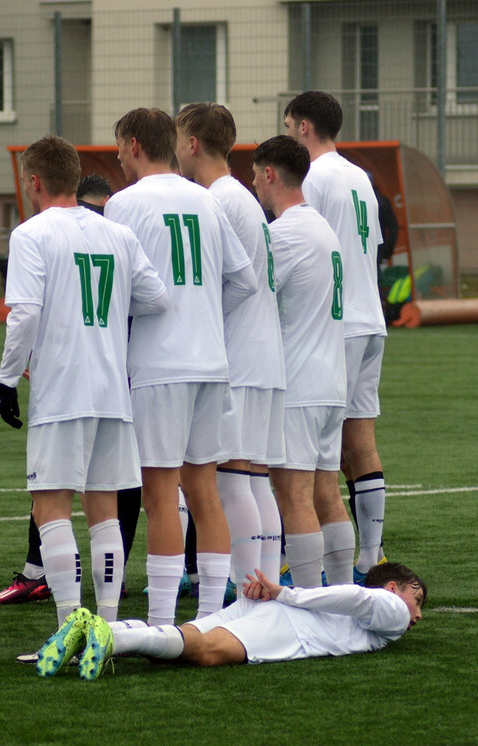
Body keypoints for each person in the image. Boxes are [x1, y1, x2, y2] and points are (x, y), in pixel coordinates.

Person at [0, 135, 169, 644]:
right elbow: (156, 297)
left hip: (64, 389)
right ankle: (109, 629)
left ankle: (70, 629)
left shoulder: (31, 234)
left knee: (50, 504)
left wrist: (7, 378)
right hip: (113, 390)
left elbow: (24, 313)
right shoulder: (116, 233)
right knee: (104, 508)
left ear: (34, 182)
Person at [104, 108, 259, 625]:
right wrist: (205, 314)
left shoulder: (123, 204)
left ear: (132, 145)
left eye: (119, 148)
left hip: (159, 365)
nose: (118, 158)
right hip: (211, 363)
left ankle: (163, 624)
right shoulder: (206, 200)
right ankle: (213, 618)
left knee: (159, 492)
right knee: (203, 489)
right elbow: (244, 282)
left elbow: (117, 291)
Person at [174, 102, 287, 587]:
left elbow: (233, 284)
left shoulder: (217, 200)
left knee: (233, 479)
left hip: (239, 356)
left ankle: (248, 590)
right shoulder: (240, 197)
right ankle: (262, 585)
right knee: (254, 480)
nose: (176, 150)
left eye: (179, 140)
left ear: (192, 144)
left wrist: (198, 320)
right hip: (264, 354)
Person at [284, 91, 387, 582]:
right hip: (371, 321)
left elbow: (311, 246)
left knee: (317, 451)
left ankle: (314, 561)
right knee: (360, 442)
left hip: (338, 324)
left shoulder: (313, 176)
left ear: (303, 127)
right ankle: (371, 554)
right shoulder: (358, 175)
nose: (286, 136)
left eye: (287, 127)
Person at [250, 135, 352, 588]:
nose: (252, 184)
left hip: (300, 384)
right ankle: (344, 593)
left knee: (294, 494)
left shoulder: (285, 232)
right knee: (327, 492)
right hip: (331, 382)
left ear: (269, 174)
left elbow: (251, 293)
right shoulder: (321, 227)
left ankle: (311, 601)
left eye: (254, 175)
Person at [35, 561, 424, 679]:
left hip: (272, 612)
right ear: (392, 588)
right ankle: (113, 641)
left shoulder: (382, 611)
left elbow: (352, 598)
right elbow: (357, 594)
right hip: (290, 625)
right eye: (416, 599)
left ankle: (99, 632)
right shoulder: (392, 610)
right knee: (205, 651)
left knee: (186, 640)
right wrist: (285, 593)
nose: (417, 615)